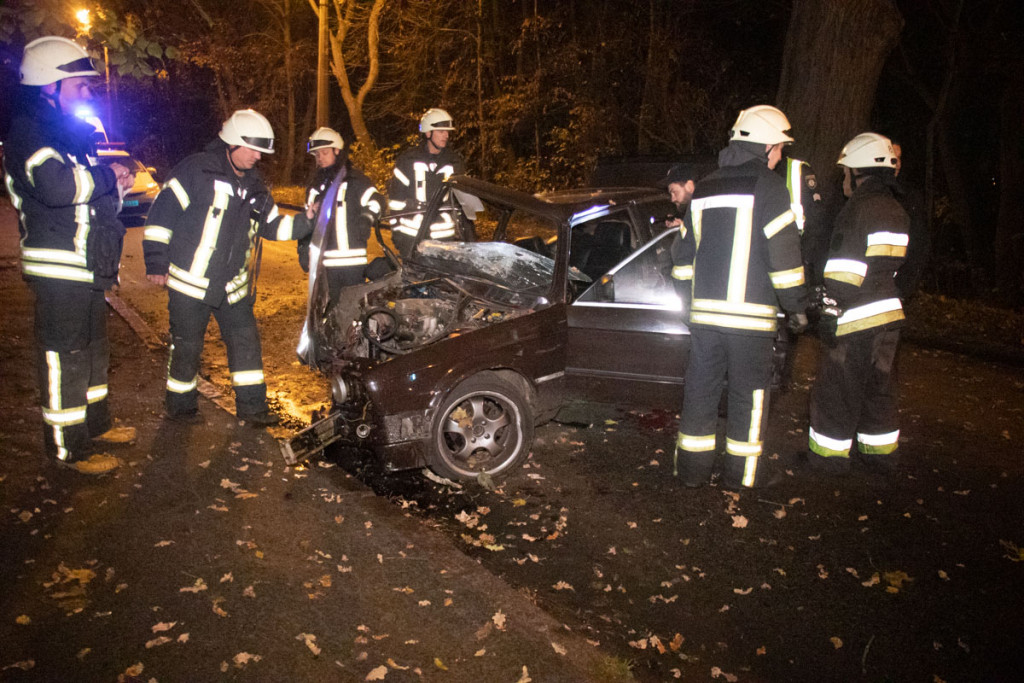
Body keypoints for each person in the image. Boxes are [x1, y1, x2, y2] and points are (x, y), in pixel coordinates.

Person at [3, 36, 137, 475]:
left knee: (94, 350)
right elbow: (58, 188)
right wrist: (103, 175)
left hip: (87, 266)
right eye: (80, 86)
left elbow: (95, 202)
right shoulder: (29, 133)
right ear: (49, 86)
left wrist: (116, 185)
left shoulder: (69, 136)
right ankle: (68, 447)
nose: (88, 93)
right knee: (64, 357)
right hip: (58, 267)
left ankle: (95, 426)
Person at [143, 109, 313, 426]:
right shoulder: (196, 170)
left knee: (246, 343)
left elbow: (274, 228)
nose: (257, 157)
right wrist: (155, 260)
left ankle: (253, 410)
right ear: (231, 143)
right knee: (187, 347)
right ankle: (180, 409)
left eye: (261, 151)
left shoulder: (256, 186)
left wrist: (308, 221)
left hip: (232, 285)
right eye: (251, 149)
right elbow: (161, 215)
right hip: (190, 282)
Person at [672, 105, 808, 489]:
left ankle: (692, 473)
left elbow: (683, 260)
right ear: (765, 147)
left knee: (700, 394)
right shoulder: (770, 188)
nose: (780, 156)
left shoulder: (706, 187)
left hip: (705, 322)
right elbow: (785, 260)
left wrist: (689, 304)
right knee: (749, 400)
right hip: (751, 324)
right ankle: (742, 478)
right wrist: (797, 308)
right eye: (779, 148)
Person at [807, 132, 910, 475]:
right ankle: (880, 457)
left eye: (846, 172)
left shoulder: (858, 210)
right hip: (890, 315)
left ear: (859, 172)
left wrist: (828, 306)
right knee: (878, 390)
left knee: (837, 390)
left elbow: (843, 272)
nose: (844, 180)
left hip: (858, 318)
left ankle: (827, 460)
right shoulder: (896, 210)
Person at [298, 126, 385, 300]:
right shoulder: (316, 187)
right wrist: (302, 249)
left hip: (353, 264)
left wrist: (366, 218)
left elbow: (377, 201)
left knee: (354, 314)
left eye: (324, 153)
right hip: (325, 267)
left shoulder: (355, 181)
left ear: (337, 151)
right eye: (317, 155)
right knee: (330, 316)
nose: (320, 158)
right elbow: (307, 223)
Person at [387, 107, 466, 255]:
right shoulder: (407, 161)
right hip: (411, 236)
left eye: (447, 132)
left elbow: (463, 201)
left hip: (444, 237)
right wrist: (397, 233)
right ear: (428, 133)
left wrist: (464, 232)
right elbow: (395, 201)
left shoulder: (455, 162)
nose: (446, 135)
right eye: (441, 131)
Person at [890, 141, 930, 301]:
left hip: (897, 289)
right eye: (893, 157)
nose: (897, 163)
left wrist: (904, 287)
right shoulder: (861, 195)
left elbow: (919, 244)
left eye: (899, 158)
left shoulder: (910, 197)